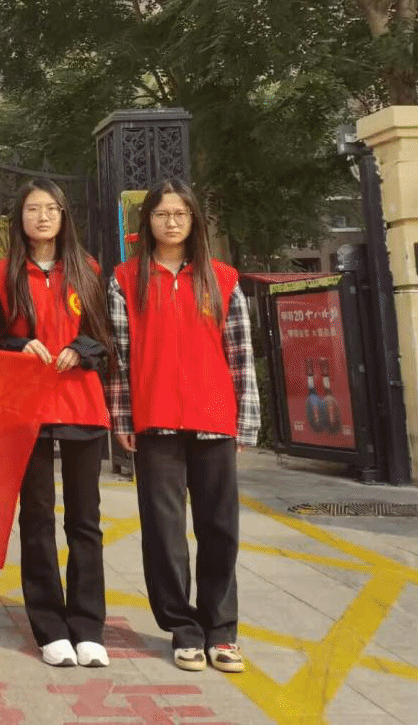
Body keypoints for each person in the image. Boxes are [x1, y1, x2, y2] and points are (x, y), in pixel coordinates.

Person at [107, 178, 258, 674]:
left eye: (180, 214)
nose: (171, 222)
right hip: (156, 423)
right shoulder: (126, 280)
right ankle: (183, 629)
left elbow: (240, 354)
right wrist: (122, 417)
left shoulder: (222, 279)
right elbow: (120, 356)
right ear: (147, 220)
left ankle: (222, 631)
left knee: (219, 528)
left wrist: (246, 421)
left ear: (193, 220)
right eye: (161, 214)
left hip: (214, 419)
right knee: (163, 532)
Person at [0, 179, 113, 669]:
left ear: (63, 215)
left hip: (81, 405)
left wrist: (82, 348)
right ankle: (50, 628)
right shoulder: (0, 276)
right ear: (20, 218)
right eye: (33, 209)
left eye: (51, 208)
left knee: (85, 521)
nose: (42, 217)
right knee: (36, 520)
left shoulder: (88, 270)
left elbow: (104, 334)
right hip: (26, 409)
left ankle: (88, 628)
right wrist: (18, 346)